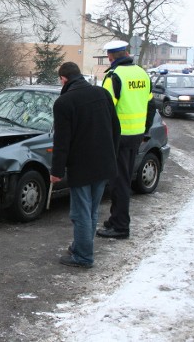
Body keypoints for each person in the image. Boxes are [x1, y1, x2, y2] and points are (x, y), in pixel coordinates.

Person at [50, 62, 120, 268]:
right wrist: (112, 156)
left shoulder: (64, 102)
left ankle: (83, 256)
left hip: (81, 166)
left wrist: (56, 171)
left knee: (80, 212)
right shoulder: (102, 94)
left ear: (63, 79)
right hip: (103, 163)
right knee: (91, 210)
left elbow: (62, 141)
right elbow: (116, 127)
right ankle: (81, 245)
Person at [97, 40, 155, 240]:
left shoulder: (114, 77)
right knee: (124, 179)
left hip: (119, 139)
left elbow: (104, 111)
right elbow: (151, 106)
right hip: (136, 136)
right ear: (127, 53)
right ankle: (115, 220)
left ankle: (120, 226)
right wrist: (145, 132)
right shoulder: (142, 73)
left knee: (118, 184)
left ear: (110, 57)